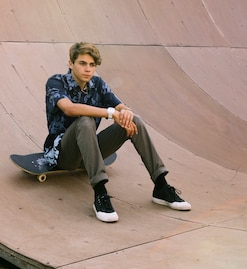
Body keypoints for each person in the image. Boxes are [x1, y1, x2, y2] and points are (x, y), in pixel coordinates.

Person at [43, 42, 191, 223]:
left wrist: (126, 112)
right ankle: (100, 193)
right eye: (82, 63)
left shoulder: (97, 84)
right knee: (84, 119)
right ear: (70, 63)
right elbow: (70, 109)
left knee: (134, 119)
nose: (87, 69)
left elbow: (119, 104)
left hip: (90, 150)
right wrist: (111, 113)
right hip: (64, 154)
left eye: (92, 65)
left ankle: (161, 185)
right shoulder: (56, 82)